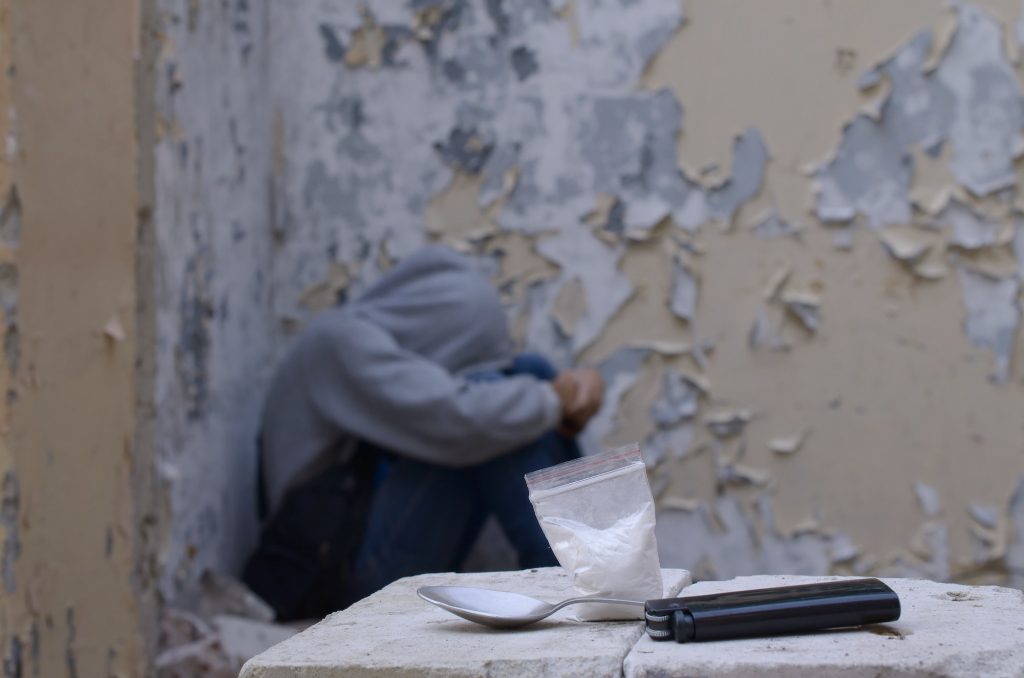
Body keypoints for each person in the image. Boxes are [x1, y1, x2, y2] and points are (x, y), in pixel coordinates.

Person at [243, 246, 604, 621]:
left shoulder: (376, 342)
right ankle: (567, 578)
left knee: (527, 376)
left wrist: (568, 393)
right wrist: (552, 401)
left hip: (357, 541)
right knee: (494, 412)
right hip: (327, 579)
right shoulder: (337, 342)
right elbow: (459, 418)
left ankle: (582, 567)